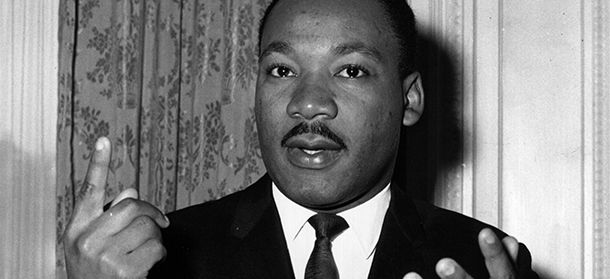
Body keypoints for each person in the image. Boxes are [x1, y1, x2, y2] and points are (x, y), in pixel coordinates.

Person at [62, 0, 539, 278]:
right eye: (282, 70)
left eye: (351, 70)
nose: (308, 103)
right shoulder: (159, 260)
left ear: (409, 100)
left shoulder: (481, 262)